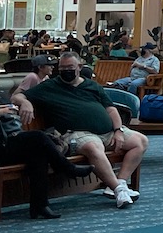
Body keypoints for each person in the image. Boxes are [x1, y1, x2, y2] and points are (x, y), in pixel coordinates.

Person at [0, 65, 93, 219]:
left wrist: (8, 113)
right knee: (38, 137)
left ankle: (40, 206)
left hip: (2, 143)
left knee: (38, 154)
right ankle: (67, 168)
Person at [12, 51, 146, 209]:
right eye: (62, 68)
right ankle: (119, 190)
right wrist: (25, 103)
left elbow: (111, 109)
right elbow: (16, 96)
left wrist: (118, 130)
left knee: (140, 141)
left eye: (70, 67)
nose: (66, 71)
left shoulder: (92, 85)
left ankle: (118, 183)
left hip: (107, 131)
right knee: (94, 148)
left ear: (80, 67)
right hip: (76, 134)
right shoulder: (49, 87)